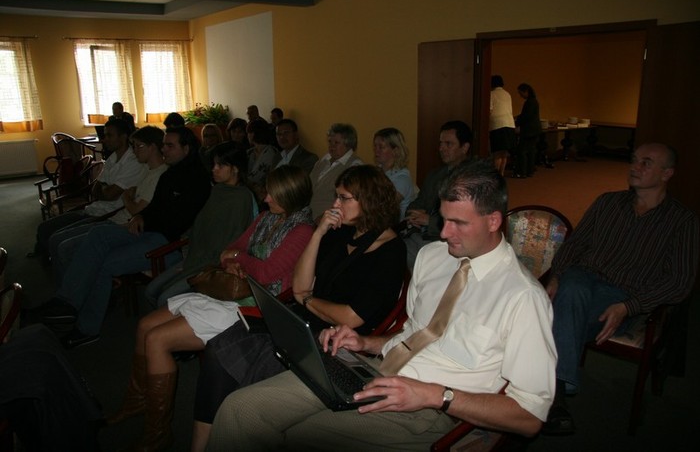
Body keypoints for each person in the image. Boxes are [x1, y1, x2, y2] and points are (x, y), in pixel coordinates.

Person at [206, 159, 556, 451]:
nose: (444, 232)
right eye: (443, 218)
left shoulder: (523, 298)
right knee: (241, 410)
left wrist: (437, 396)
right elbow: (411, 334)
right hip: (372, 371)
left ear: (493, 221)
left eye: (458, 223)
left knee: (300, 437)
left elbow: (529, 417)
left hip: (430, 410)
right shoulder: (433, 257)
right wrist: (365, 343)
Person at [193, 164, 407, 451]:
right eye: (336, 196)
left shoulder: (391, 250)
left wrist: (307, 300)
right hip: (304, 318)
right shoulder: (341, 233)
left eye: (343, 198)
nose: (335, 204)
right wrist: (318, 234)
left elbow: (350, 317)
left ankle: (235, 430)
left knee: (254, 369)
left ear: (369, 200)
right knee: (219, 350)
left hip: (335, 338)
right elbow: (299, 284)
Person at [107, 165, 316, 452]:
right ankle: (137, 401)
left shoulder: (303, 231)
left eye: (272, 194)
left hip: (256, 306)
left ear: (291, 196)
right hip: (230, 292)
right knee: (145, 326)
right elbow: (228, 250)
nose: (265, 198)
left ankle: (158, 433)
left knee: (156, 339)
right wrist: (237, 258)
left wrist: (239, 259)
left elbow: (267, 274)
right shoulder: (266, 218)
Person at [542, 142, 699, 435]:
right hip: (580, 278)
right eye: (634, 160)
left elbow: (679, 281)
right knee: (572, 288)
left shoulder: (682, 222)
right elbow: (575, 245)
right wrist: (556, 276)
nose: (635, 167)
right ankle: (556, 394)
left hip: (620, 296)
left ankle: (545, 388)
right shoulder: (607, 202)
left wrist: (629, 306)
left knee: (551, 318)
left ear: (667, 173)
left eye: (646, 163)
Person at [36, 126, 212, 348]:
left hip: (169, 244)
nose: (164, 149)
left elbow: (177, 222)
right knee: (98, 234)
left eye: (170, 146)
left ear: (186, 149)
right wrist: (140, 216)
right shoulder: (170, 174)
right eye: (164, 145)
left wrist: (143, 218)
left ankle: (80, 322)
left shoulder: (197, 180)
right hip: (148, 231)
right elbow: (155, 208)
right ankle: (66, 304)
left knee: (103, 262)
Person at [51, 126, 168, 284]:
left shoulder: (159, 174)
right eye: (133, 146)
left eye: (137, 146)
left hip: (122, 222)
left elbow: (134, 208)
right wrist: (125, 196)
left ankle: (71, 290)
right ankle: (70, 288)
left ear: (152, 147)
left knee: (66, 247)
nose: (134, 151)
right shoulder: (146, 169)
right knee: (58, 240)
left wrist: (125, 197)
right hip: (113, 217)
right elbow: (101, 189)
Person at [144, 144, 256, 307]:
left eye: (220, 165)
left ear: (235, 168)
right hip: (196, 257)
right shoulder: (218, 190)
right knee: (150, 291)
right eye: (214, 164)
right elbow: (201, 227)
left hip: (214, 265)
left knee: (165, 298)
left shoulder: (242, 198)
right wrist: (190, 261)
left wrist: (200, 266)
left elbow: (234, 241)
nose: (214, 169)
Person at [31, 118, 146, 261]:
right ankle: (46, 257)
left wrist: (104, 190)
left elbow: (111, 195)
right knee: (44, 227)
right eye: (104, 135)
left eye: (109, 135)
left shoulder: (133, 162)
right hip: (94, 208)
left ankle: (53, 261)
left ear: (123, 137)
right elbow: (95, 188)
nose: (104, 139)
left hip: (106, 214)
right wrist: (104, 190)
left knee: (58, 239)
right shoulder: (112, 158)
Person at [403, 120, 471, 270]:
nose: (441, 149)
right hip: (419, 235)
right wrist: (413, 213)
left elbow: (467, 221)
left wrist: (430, 221)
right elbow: (418, 201)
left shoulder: (472, 179)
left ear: (464, 147)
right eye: (440, 144)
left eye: (448, 144)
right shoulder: (435, 175)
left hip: (448, 242)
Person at [308, 123, 363, 220]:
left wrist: (324, 218)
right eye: (330, 142)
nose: (331, 146)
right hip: (307, 216)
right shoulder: (323, 160)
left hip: (328, 220)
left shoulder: (354, 166)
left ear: (348, 145)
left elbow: (349, 202)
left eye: (336, 143)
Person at [373, 127, 416, 220]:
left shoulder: (402, 178)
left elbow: (385, 206)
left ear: (395, 150)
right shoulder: (377, 172)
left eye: (381, 147)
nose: (376, 150)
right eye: (375, 146)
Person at [246, 119, 280, 204]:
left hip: (266, 196)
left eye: (248, 133)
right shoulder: (250, 152)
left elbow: (256, 177)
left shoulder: (270, 152)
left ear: (253, 134)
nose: (247, 136)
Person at [489, 75, 516, 176]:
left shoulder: (492, 94)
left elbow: (489, 110)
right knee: (504, 153)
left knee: (497, 154)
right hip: (510, 124)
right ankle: (501, 174)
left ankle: (496, 176)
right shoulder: (507, 94)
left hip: (498, 125)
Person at [513, 83, 541, 178]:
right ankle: (530, 171)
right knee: (531, 151)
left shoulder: (529, 102)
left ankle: (522, 172)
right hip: (535, 129)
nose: (520, 95)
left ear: (526, 91)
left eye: (520, 93)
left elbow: (526, 116)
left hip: (528, 130)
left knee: (522, 151)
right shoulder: (534, 101)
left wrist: (516, 122)